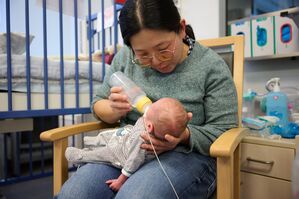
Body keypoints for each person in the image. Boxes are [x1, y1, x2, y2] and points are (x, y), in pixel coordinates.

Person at [57, 0, 238, 198]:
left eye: (163, 49)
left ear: (181, 29)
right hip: (125, 148)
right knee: (75, 194)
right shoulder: (125, 57)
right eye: (142, 55)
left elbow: (224, 129)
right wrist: (113, 108)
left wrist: (183, 135)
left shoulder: (210, 66)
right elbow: (98, 104)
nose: (156, 61)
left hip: (185, 155)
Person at [65, 97, 191, 192]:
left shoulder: (142, 143)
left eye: (148, 112)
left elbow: (132, 162)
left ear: (149, 127)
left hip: (120, 153)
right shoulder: (153, 126)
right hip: (126, 135)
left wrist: (121, 181)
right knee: (109, 135)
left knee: (101, 154)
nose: (147, 109)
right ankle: (93, 141)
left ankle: (81, 155)